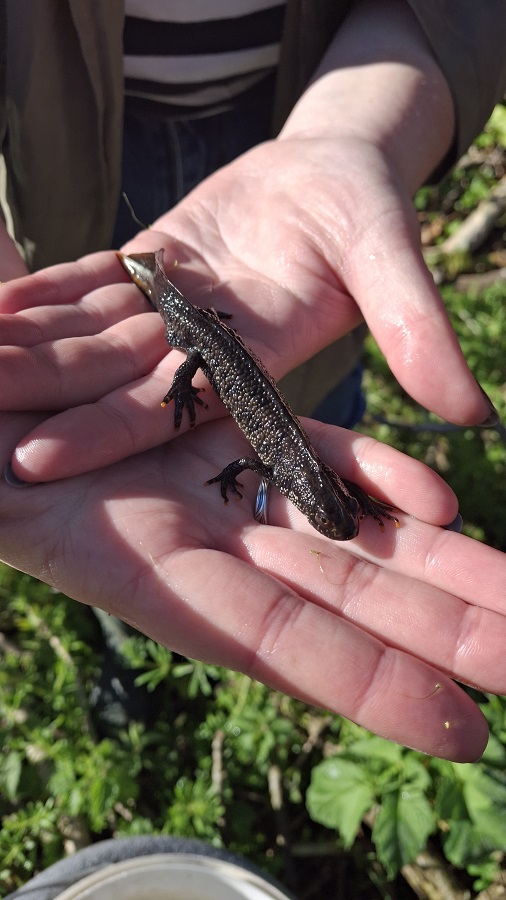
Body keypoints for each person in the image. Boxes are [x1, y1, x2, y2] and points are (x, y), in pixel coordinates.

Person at [0, 0, 505, 762]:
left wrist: (352, 127)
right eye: (335, 507)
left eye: (332, 507)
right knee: (189, 342)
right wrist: (182, 387)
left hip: (287, 114)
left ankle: (161, 289)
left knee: (260, 368)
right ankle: (127, 638)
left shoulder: (295, 471)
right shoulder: (280, 460)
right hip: (82, 147)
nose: (333, 507)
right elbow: (245, 460)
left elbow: (263, 470)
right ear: (311, 494)